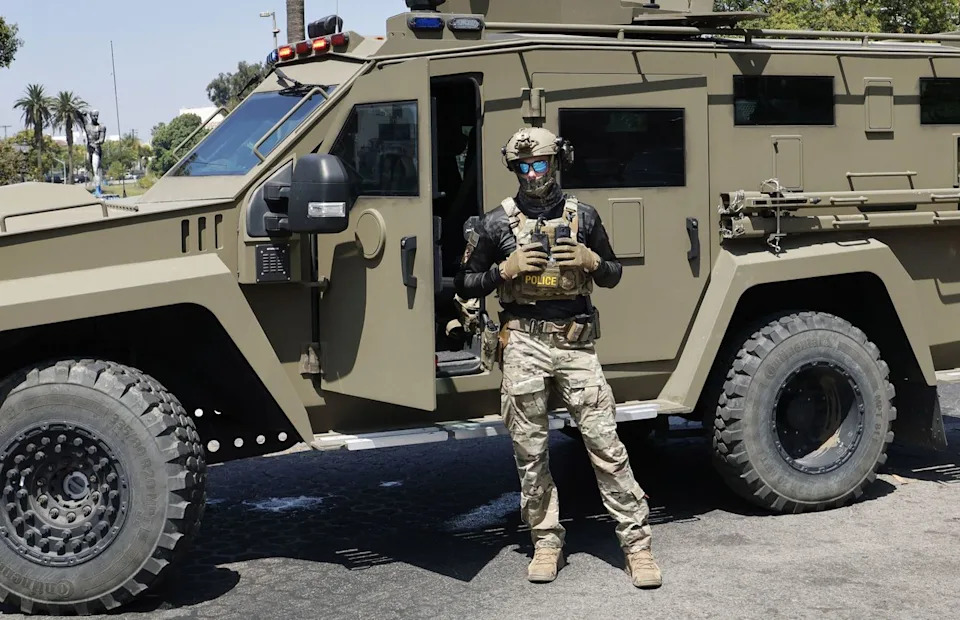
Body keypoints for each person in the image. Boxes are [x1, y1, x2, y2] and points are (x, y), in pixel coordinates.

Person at [454, 127, 662, 588]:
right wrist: (501, 270)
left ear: (556, 163)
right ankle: (546, 542)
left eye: (541, 164)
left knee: (606, 446)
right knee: (531, 453)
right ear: (514, 170)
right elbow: (463, 283)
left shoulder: (583, 217)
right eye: (524, 167)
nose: (533, 174)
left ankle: (637, 546)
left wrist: (590, 260)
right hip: (523, 343)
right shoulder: (494, 224)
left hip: (574, 343)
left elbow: (613, 274)